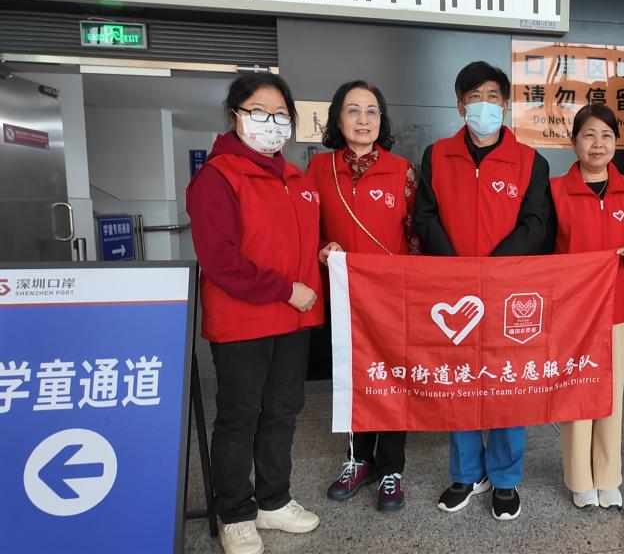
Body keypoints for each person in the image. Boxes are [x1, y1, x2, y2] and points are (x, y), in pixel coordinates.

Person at [187, 72, 330, 554]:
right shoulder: (218, 177)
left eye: (281, 114)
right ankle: (235, 513)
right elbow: (220, 260)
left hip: (294, 320)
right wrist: (285, 290)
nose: (271, 122)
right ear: (235, 116)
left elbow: (298, 240)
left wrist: (322, 251)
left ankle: (273, 500)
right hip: (244, 320)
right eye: (259, 112)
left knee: (282, 413)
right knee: (239, 417)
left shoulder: (296, 179)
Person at [413, 61, 552, 521]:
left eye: (493, 96)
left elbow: (536, 226)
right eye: (474, 97)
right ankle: (467, 473)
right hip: (453, 293)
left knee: (507, 384)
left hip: (509, 294)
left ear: (505, 105)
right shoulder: (437, 155)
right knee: (460, 383)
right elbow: (424, 218)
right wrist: (459, 270)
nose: (484, 105)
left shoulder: (531, 161)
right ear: (460, 106)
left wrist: (490, 271)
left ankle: (506, 478)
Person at [309, 80, 418, 512]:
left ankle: (391, 468)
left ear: (381, 119)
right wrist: (323, 247)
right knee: (353, 378)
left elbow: (416, 236)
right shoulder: (319, 169)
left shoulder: (402, 170)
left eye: (371, 111)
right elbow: (306, 228)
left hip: (393, 298)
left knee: (391, 378)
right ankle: (358, 459)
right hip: (344, 296)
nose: (363, 119)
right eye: (353, 110)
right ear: (338, 118)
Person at [550, 104, 624, 510]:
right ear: (574, 142)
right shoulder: (555, 190)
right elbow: (546, 252)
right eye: (588, 135)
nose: (598, 144)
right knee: (576, 392)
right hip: (573, 312)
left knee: (611, 393)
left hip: (618, 308)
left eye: (606, 135)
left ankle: (608, 476)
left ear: (616, 142)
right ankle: (579, 479)